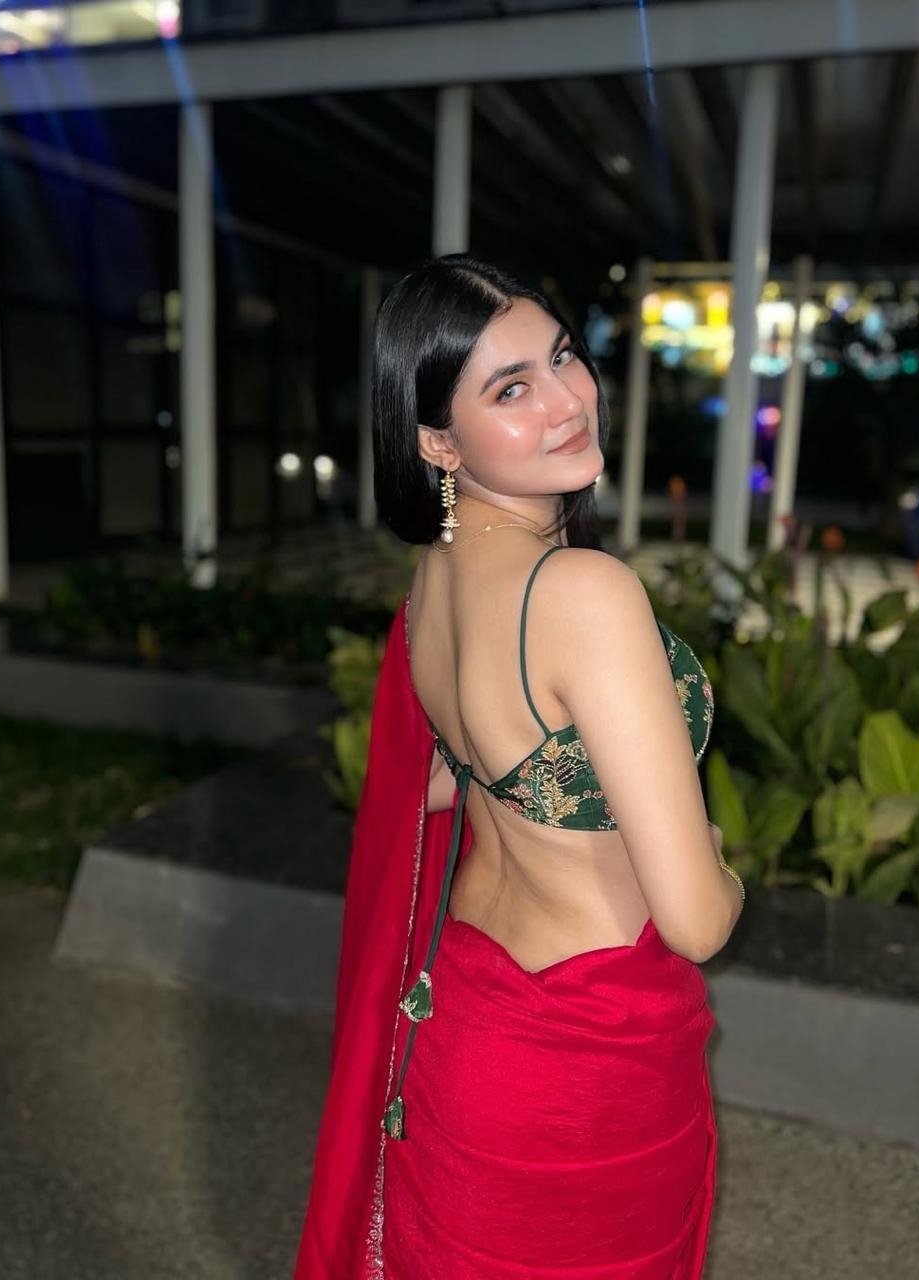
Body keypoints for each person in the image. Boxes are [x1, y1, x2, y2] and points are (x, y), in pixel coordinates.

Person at [293, 254, 745, 1280]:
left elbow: (452, 776)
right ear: (437, 441)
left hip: (466, 1020)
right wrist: (718, 859)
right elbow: (696, 922)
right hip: (588, 1056)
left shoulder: (432, 585)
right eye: (510, 388)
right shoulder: (585, 594)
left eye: (563, 357)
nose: (567, 400)